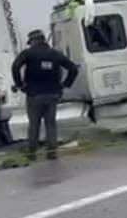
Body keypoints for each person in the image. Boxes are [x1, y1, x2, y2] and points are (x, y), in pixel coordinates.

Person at [12, 30, 79, 161]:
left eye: (30, 42)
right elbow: (73, 69)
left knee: (34, 124)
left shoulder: (28, 53)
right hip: (53, 94)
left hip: (34, 95)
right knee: (51, 124)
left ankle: (32, 153)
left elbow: (15, 67)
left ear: (33, 41)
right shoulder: (55, 54)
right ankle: (52, 152)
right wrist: (65, 85)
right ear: (43, 40)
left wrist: (20, 84)